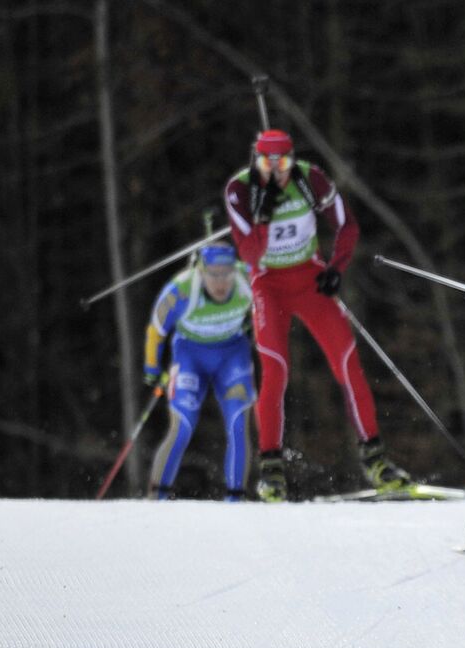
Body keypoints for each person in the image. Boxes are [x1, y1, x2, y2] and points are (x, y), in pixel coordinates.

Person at [224, 128, 410, 501]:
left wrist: (336, 268)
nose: (275, 171)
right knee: (275, 368)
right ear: (254, 160)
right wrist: (262, 215)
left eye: (283, 162)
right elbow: (248, 254)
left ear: (293, 159)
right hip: (268, 284)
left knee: (347, 359)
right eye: (266, 162)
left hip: (309, 278)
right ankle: (271, 469)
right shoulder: (240, 191)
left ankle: (375, 459)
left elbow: (347, 225)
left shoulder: (311, 178)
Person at [143, 241, 256, 501]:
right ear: (200, 271)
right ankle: (156, 498)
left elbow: (272, 300)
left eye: (226, 273)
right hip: (190, 355)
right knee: (182, 425)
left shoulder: (248, 278)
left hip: (231, 354)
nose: (221, 282)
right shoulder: (181, 291)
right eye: (213, 274)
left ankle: (236, 499)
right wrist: (152, 369)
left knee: (239, 422)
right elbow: (156, 331)